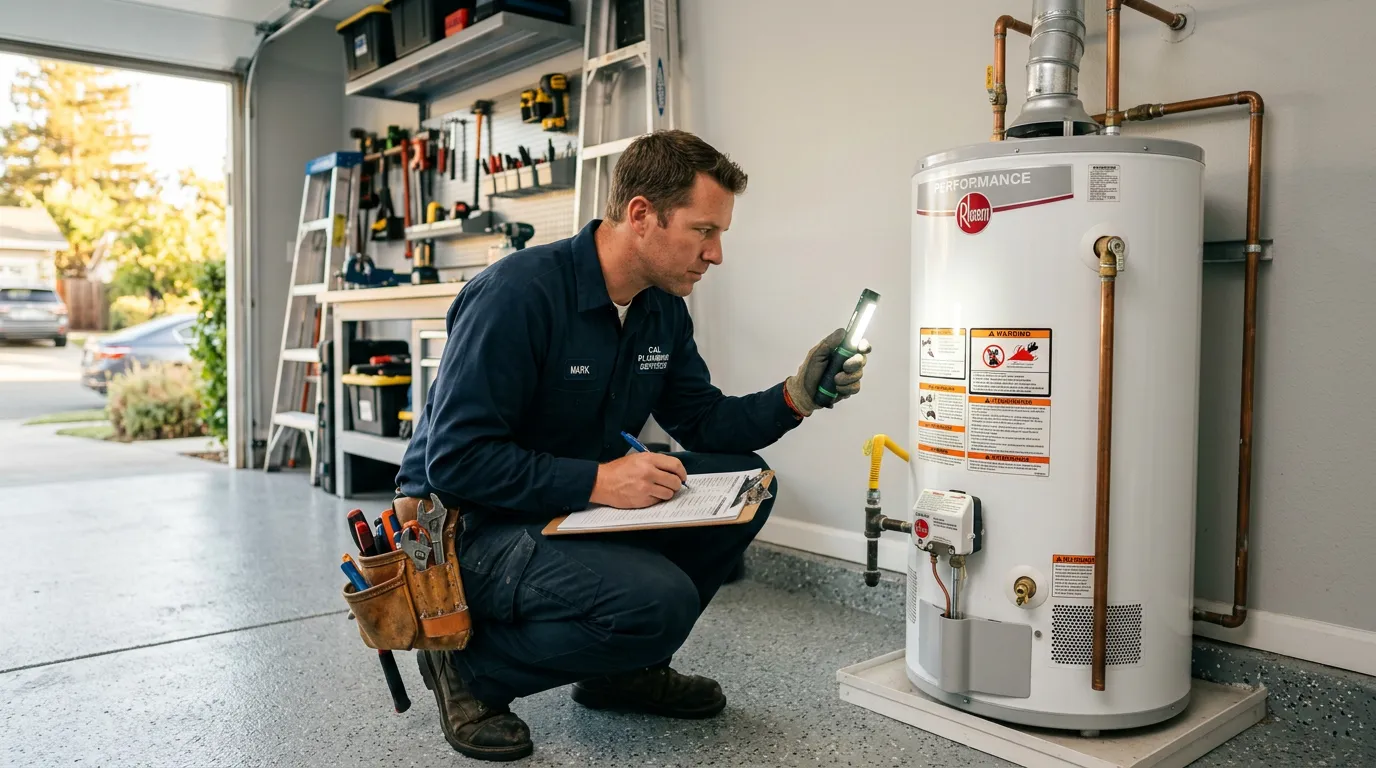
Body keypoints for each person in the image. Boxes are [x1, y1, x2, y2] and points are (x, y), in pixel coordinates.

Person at [393, 129, 870, 761]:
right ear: (641, 215)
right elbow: (454, 463)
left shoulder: (659, 308)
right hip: (464, 531)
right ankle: (472, 671)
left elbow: (702, 421)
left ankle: (622, 669)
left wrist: (796, 397)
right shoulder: (518, 296)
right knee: (657, 600)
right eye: (704, 231)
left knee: (746, 481)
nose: (717, 253)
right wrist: (598, 482)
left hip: (561, 505)